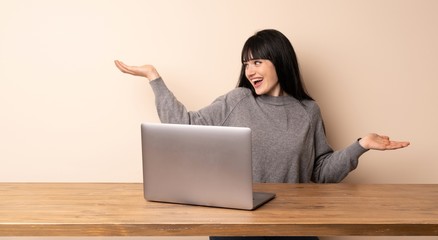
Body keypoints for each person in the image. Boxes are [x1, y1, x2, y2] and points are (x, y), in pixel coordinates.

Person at [114, 29, 410, 240]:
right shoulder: (237, 100)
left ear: (279, 61)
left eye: (257, 62)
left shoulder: (308, 111)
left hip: (294, 226)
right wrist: (154, 77)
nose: (250, 70)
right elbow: (182, 124)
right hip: (235, 227)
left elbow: (321, 173)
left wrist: (360, 146)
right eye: (246, 63)